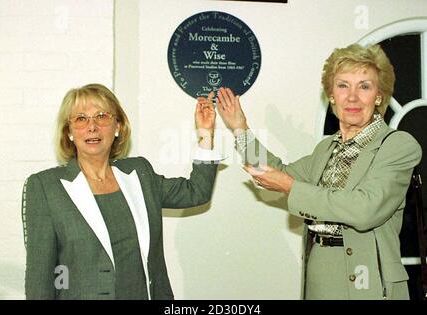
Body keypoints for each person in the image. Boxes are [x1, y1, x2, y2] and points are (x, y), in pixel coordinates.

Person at [216, 44, 422, 300]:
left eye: (365, 86)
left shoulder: (398, 145)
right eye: (343, 85)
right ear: (331, 95)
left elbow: (365, 209)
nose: (353, 97)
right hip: (320, 274)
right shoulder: (326, 148)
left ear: (379, 96)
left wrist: (291, 187)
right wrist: (240, 129)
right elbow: (276, 172)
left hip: (370, 283)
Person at [22, 83, 219, 299]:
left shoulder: (139, 173)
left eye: (102, 116)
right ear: (69, 132)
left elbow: (197, 192)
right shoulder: (45, 187)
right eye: (80, 119)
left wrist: (205, 133)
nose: (92, 127)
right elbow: (40, 278)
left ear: (117, 127)